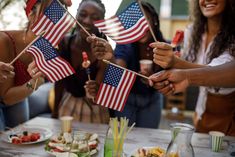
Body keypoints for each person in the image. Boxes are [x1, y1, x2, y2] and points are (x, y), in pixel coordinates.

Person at [149, 0, 235, 135]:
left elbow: (222, 69)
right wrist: (170, 67)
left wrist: (176, 63)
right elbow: (189, 67)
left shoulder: (232, 34)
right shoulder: (192, 31)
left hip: (229, 118)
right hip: (201, 114)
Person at [87, 1, 165, 128]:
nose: (140, 26)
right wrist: (110, 56)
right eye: (135, 22)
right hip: (128, 99)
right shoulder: (125, 44)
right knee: (125, 137)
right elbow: (119, 66)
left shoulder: (163, 45)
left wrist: (155, 79)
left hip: (152, 99)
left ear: (154, 21)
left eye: (145, 20)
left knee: (149, 138)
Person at [52, 0, 110, 124]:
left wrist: (95, 90)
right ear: (76, 14)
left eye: (95, 18)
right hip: (67, 106)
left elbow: (95, 99)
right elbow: (59, 81)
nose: (87, 21)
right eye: (83, 15)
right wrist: (55, 111)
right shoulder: (64, 43)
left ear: (101, 22)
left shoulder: (104, 51)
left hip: (94, 112)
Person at [0, 0, 52, 130]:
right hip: (7, 96)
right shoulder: (4, 41)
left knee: (21, 140)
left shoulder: (47, 47)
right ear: (31, 15)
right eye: (47, 13)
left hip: (18, 95)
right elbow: (5, 97)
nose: (52, 21)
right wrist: (35, 83)